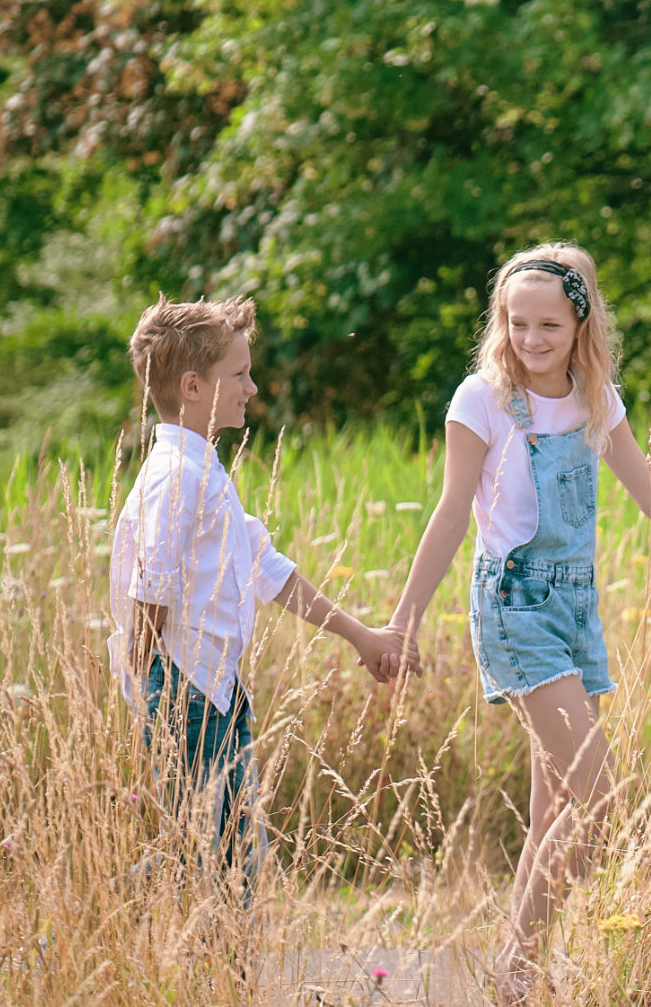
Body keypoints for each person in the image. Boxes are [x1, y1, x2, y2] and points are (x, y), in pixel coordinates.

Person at [385, 243, 651, 1000]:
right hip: (515, 608)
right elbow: (451, 515)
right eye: (517, 323)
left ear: (581, 324)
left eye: (549, 324)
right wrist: (403, 621)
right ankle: (518, 967)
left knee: (559, 806)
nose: (532, 339)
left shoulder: (594, 399)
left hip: (576, 608)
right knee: (599, 798)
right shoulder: (479, 401)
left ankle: (518, 975)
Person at [109, 296, 411, 902]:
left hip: (211, 688)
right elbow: (152, 589)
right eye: (239, 374)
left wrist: (362, 635)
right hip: (185, 691)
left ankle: (116, 934)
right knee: (228, 859)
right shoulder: (178, 475)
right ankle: (179, 958)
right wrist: (151, 692)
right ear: (194, 386)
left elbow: (266, 568)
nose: (252, 386)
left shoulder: (205, 469)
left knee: (209, 850)